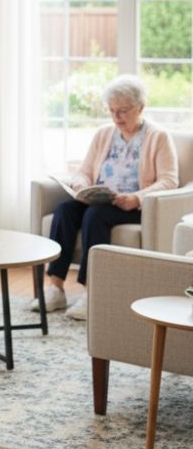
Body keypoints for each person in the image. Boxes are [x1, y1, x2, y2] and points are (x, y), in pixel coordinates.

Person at [35, 74, 178, 321]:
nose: (116, 118)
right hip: (101, 198)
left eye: (122, 111)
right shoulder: (104, 134)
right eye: (112, 111)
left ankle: (91, 293)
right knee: (65, 210)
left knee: (94, 216)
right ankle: (56, 287)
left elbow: (169, 180)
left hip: (132, 204)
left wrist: (136, 197)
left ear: (140, 107)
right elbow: (85, 170)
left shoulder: (158, 137)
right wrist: (80, 183)